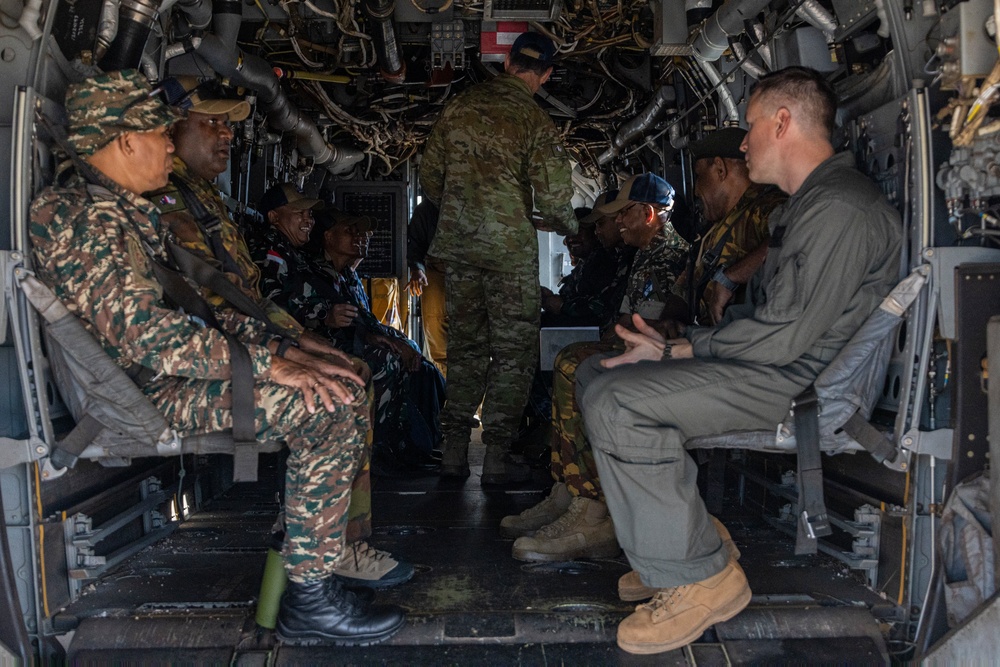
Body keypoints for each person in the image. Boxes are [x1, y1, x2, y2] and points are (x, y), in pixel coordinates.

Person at [29, 70, 405, 645]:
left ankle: (319, 566)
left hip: (172, 373)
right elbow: (149, 337)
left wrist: (285, 345)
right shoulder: (84, 221)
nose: (169, 145)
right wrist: (271, 366)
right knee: (325, 407)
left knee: (338, 387)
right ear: (126, 142)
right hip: (144, 391)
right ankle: (310, 600)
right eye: (159, 134)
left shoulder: (124, 212)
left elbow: (193, 309)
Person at [577, 66, 901, 655]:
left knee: (618, 402)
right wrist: (677, 344)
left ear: (783, 122)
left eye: (750, 127)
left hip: (799, 383)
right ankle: (682, 545)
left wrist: (681, 346)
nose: (744, 142)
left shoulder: (841, 209)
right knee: (597, 375)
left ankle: (703, 578)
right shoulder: (811, 204)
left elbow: (784, 338)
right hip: (774, 367)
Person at [144, 79, 412, 589]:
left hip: (233, 344)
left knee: (348, 372)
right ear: (169, 129)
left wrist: (301, 344)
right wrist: (281, 357)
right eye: (212, 124)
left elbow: (241, 300)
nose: (226, 136)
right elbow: (198, 314)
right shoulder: (164, 203)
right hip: (192, 367)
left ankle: (340, 537)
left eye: (229, 126)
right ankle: (320, 562)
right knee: (336, 394)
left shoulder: (201, 198)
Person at [500, 174, 688, 563]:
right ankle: (568, 489)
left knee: (573, 362)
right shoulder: (646, 253)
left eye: (624, 215)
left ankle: (589, 506)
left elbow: (649, 329)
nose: (618, 224)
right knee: (568, 357)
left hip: (658, 361)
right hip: (636, 348)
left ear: (649, 214)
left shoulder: (668, 256)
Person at [419, 31, 578, 484]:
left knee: (465, 349)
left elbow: (431, 180)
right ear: (545, 74)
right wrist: (567, 225)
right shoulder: (534, 122)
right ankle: (495, 458)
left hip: (461, 252)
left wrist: (465, 207)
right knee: (512, 353)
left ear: (507, 63)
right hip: (509, 255)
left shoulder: (458, 110)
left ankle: (452, 452)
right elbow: (552, 197)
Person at [247, 186, 442, 474]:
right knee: (382, 361)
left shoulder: (294, 254)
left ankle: (395, 446)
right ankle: (376, 451)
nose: (308, 220)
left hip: (313, 342)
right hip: (286, 351)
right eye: (299, 213)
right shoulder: (270, 254)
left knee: (399, 355)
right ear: (274, 217)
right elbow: (269, 306)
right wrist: (324, 316)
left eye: (310, 214)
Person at [670, 127, 786, 325]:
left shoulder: (768, 208)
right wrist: (669, 322)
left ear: (720, 169)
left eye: (699, 176)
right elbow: (686, 286)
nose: (696, 189)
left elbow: (794, 239)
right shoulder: (716, 227)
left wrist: (731, 277)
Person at [540, 206, 627, 328]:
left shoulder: (606, 261)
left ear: (594, 233)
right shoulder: (584, 264)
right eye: (567, 234)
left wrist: (562, 306)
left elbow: (601, 307)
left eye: (578, 231)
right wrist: (549, 298)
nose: (571, 239)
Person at [405, 200, 448, 376]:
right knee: (439, 348)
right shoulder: (427, 210)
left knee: (477, 347)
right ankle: (447, 399)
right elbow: (414, 245)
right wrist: (417, 269)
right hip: (436, 272)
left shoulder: (479, 204)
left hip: (473, 275)